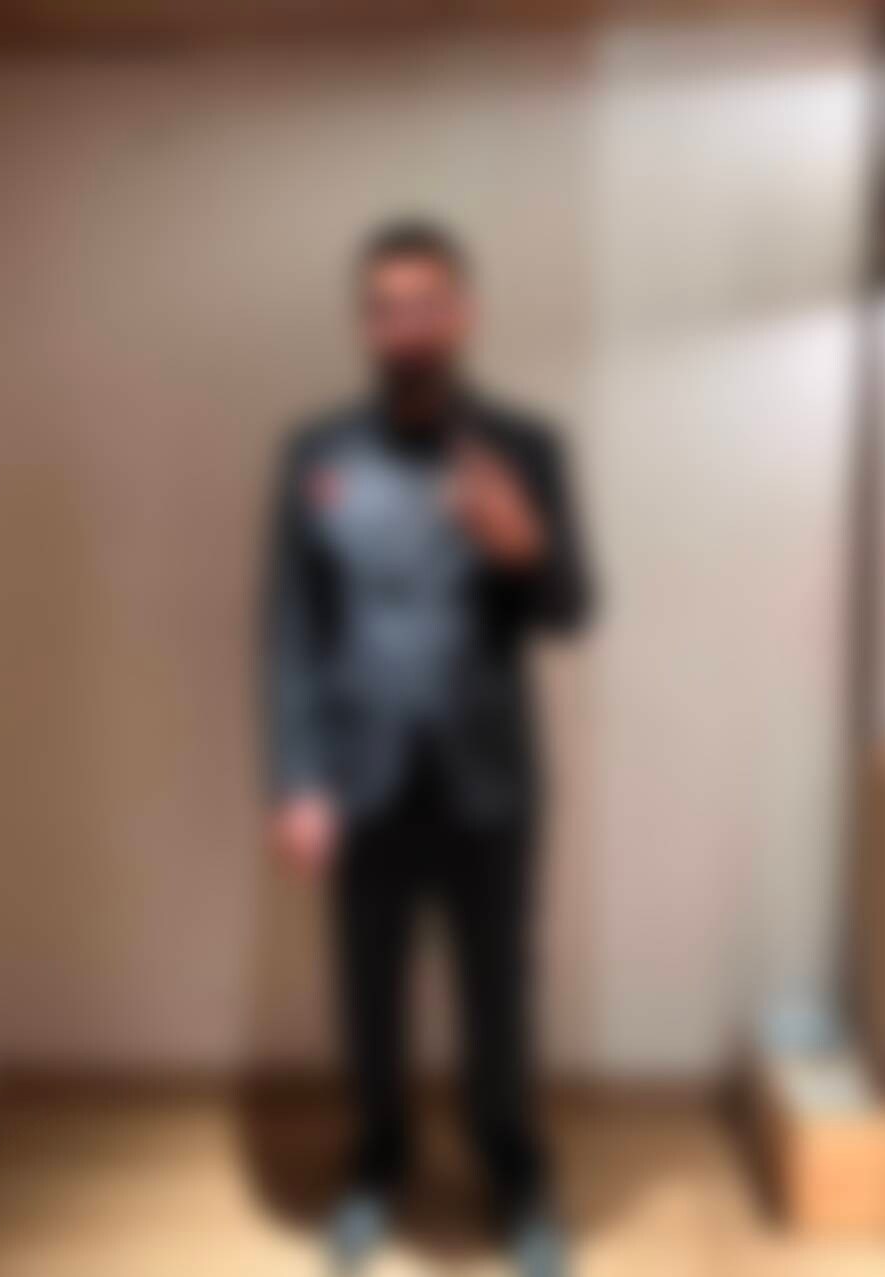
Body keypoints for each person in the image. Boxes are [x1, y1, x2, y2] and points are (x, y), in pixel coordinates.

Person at [264, 218, 597, 1276]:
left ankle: (516, 1172)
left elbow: (573, 610)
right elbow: (292, 628)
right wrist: (297, 776)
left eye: (424, 303)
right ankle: (377, 1164)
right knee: (368, 996)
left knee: (500, 995)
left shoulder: (527, 446)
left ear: (463, 314)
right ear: (366, 324)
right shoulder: (316, 454)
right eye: (385, 306)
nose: (405, 324)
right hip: (362, 782)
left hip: (488, 781)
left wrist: (525, 544)